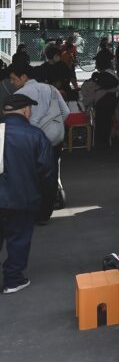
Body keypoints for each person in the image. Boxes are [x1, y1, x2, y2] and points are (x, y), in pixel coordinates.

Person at [0, 94, 56, 294]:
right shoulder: (35, 135)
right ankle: (13, 280)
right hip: (22, 197)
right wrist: (46, 205)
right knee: (18, 239)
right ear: (25, 110)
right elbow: (48, 173)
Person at [9, 63, 69, 149]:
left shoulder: (18, 95)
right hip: (55, 136)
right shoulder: (52, 88)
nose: (11, 82)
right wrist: (54, 123)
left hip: (31, 138)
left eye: (13, 79)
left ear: (24, 77)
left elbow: (15, 120)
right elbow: (66, 112)